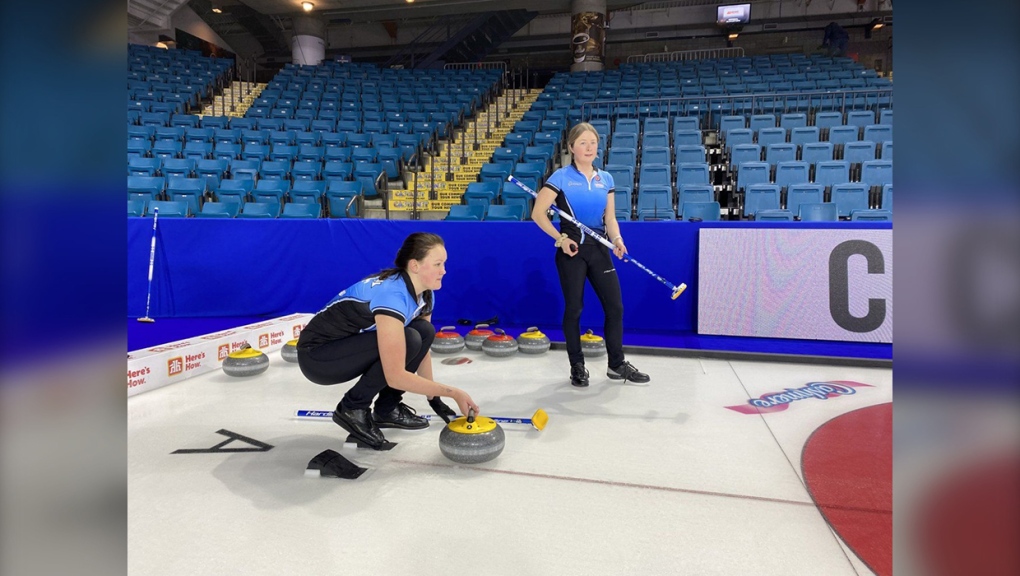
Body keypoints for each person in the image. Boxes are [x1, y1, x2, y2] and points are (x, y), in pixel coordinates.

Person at [296, 232, 479, 449]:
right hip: (317, 357)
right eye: (438, 264)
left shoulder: (425, 293)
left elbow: (423, 349)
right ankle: (352, 408)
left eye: (444, 263)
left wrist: (434, 398)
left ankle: (387, 408)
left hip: (347, 346)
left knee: (423, 331)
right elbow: (395, 375)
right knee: (409, 337)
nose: (444, 271)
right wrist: (453, 393)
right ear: (415, 266)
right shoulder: (393, 295)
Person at [530, 122, 650, 388]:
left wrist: (617, 240)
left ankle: (617, 365)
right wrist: (560, 239)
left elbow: (609, 217)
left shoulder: (605, 179)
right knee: (575, 309)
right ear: (572, 147)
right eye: (582, 142)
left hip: (599, 250)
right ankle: (577, 366)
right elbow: (538, 214)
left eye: (593, 142)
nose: (588, 147)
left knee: (615, 308)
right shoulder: (561, 177)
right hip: (571, 251)